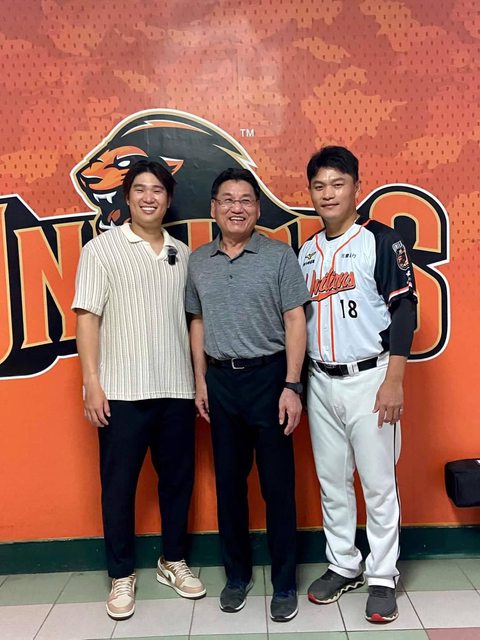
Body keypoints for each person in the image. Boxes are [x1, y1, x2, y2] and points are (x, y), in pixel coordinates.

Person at [72, 159, 206, 620]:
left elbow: (193, 323)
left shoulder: (183, 254)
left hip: (176, 389)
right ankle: (121, 573)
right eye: (140, 189)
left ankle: (173, 560)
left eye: (158, 190)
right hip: (121, 391)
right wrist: (92, 382)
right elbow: (87, 319)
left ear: (168, 200)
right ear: (127, 197)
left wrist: (197, 381)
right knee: (118, 487)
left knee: (177, 483)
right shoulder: (101, 250)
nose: (149, 198)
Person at [186, 168, 310, 622]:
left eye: (245, 200)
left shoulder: (278, 256)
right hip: (221, 382)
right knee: (229, 486)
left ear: (257, 209)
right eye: (228, 200)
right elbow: (197, 321)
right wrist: (200, 380)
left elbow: (295, 320)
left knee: (278, 488)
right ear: (214, 208)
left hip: (270, 380)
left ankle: (284, 582)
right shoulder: (198, 261)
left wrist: (292, 385)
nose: (236, 208)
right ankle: (236, 576)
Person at [299, 146, 416, 624]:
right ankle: (344, 564)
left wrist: (395, 379)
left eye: (338, 184)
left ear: (356, 188)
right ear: (311, 193)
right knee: (332, 481)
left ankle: (382, 574)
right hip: (320, 379)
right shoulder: (306, 251)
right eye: (319, 186)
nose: (328, 194)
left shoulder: (381, 241)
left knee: (378, 483)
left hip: (371, 377)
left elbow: (404, 310)